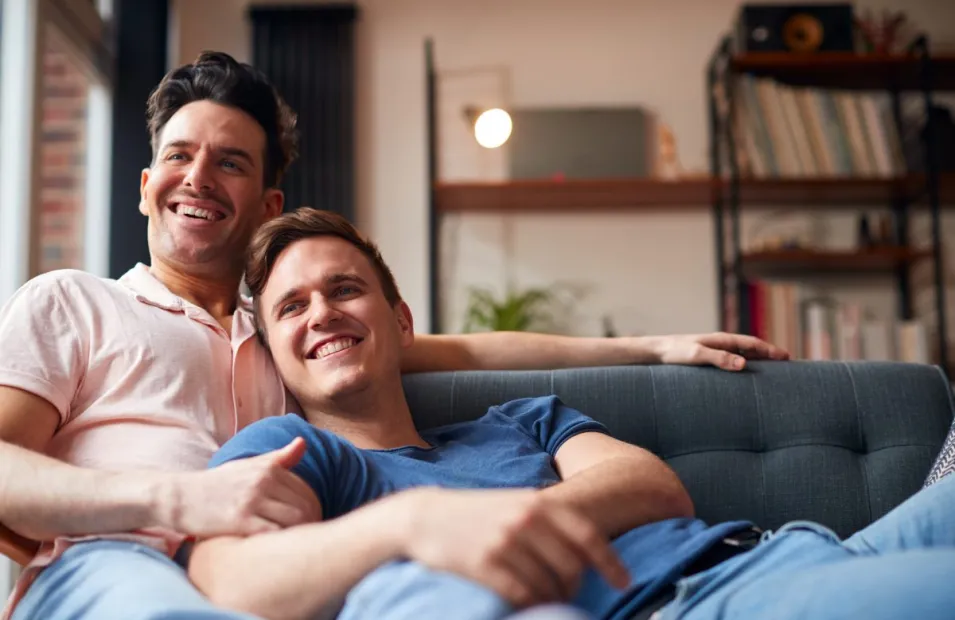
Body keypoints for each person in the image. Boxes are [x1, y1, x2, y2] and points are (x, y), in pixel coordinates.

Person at [0, 51, 786, 620]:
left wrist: (651, 348)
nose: (198, 177)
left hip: (269, 583)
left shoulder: (288, 335)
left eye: (230, 162)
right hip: (116, 566)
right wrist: (177, 498)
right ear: (145, 187)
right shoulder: (71, 302)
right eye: (179, 156)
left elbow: (471, 351)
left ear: (268, 202)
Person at [190, 207, 955, 620]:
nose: (321, 312)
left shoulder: (518, 418)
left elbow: (651, 488)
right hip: (697, 604)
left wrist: (516, 517)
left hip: (797, 550)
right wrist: (407, 525)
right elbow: (224, 577)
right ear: (273, 352)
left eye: (344, 289)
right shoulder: (298, 448)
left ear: (402, 323)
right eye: (292, 306)